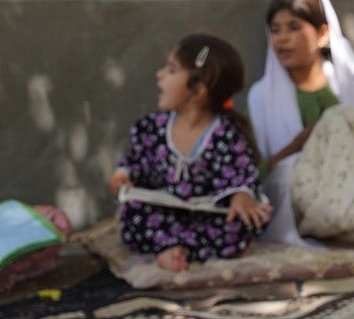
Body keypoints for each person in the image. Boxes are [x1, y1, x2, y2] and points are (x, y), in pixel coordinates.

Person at [110, 33, 270, 272]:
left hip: (205, 214)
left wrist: (240, 197)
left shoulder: (225, 134)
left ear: (198, 90)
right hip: (162, 212)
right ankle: (176, 248)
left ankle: (175, 249)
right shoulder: (152, 127)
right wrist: (122, 175)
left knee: (239, 223)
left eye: (171, 70)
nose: (159, 74)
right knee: (133, 213)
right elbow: (135, 162)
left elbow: (239, 174)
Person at [247, 0, 354, 247]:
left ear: (322, 34)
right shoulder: (261, 97)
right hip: (295, 196)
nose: (282, 39)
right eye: (275, 30)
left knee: (341, 117)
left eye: (294, 28)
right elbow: (253, 173)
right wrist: (296, 146)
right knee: (295, 162)